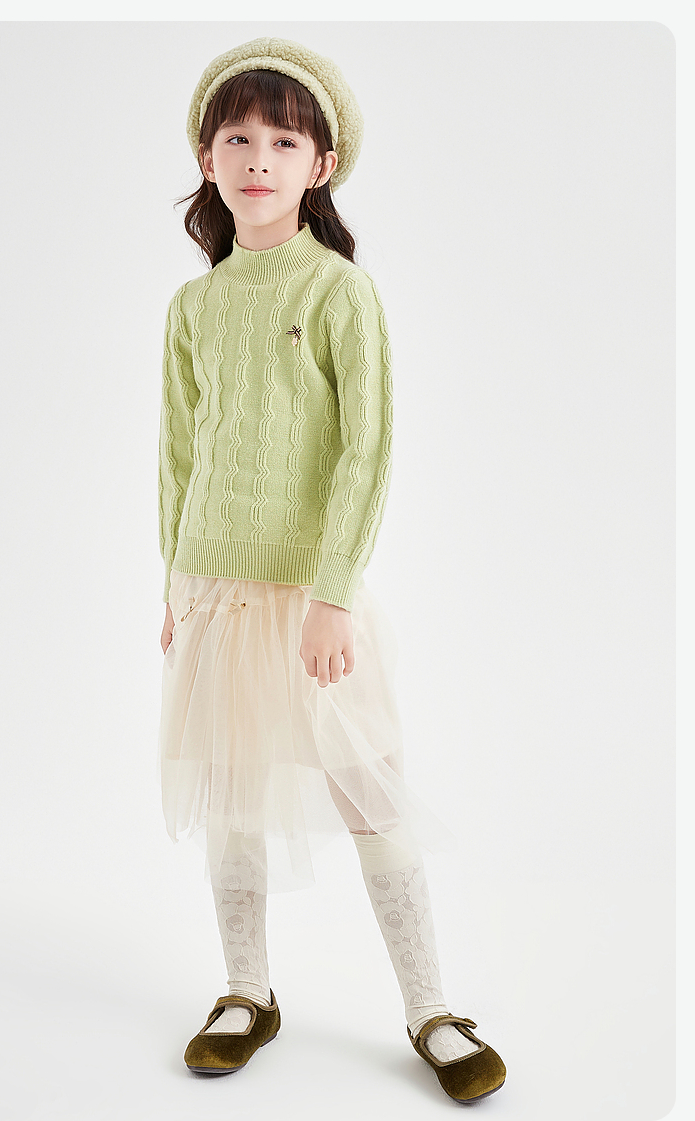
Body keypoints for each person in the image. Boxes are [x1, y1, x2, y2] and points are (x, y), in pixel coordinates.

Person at [157, 36, 506, 1103]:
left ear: (322, 164)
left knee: (369, 789)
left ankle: (430, 1005)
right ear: (208, 160)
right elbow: (178, 451)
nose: (258, 159)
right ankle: (246, 989)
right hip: (213, 588)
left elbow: (367, 448)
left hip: (313, 596)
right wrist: (173, 584)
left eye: (283, 141)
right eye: (237, 139)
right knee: (230, 792)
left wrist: (333, 592)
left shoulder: (340, 289)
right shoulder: (194, 306)